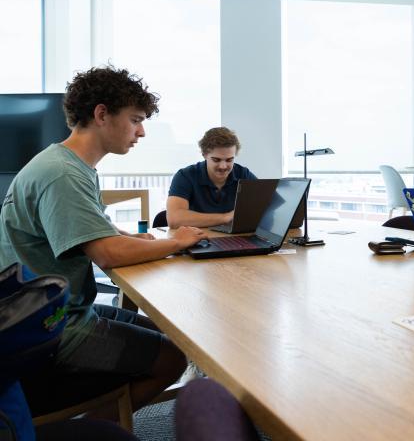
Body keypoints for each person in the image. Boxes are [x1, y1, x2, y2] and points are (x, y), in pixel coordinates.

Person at [0, 65, 208, 421]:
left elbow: (95, 231)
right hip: (53, 328)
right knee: (172, 358)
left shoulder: (69, 164)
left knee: (167, 334)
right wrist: (177, 242)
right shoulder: (63, 174)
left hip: (58, 311)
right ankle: (98, 426)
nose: (141, 132)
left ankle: (100, 413)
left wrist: (133, 238)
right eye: (135, 119)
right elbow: (107, 254)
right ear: (101, 114)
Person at [166, 127, 256, 228]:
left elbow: (271, 205)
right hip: (196, 239)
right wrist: (226, 218)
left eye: (229, 160)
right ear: (204, 155)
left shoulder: (243, 174)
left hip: (232, 239)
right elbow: (174, 220)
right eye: (216, 160)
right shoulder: (185, 176)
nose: (223, 166)